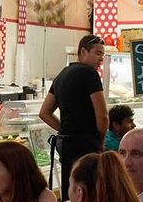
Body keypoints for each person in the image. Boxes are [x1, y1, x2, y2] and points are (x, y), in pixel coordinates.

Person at [41, 34, 109, 186]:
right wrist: (101, 141)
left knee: (70, 190)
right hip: (85, 142)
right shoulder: (90, 74)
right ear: (83, 52)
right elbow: (102, 115)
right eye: (97, 53)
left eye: (102, 55)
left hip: (65, 143)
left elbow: (44, 112)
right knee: (89, 191)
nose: (101, 59)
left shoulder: (62, 74)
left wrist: (65, 129)